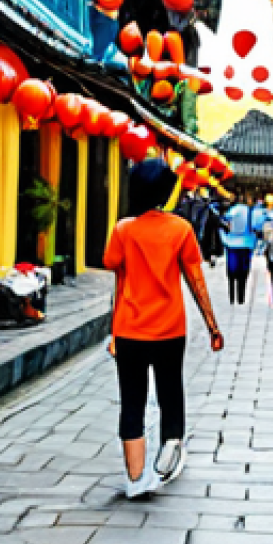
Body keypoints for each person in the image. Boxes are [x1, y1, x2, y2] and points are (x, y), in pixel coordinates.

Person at [103, 159, 224, 498]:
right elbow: (196, 280)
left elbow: (118, 276)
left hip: (129, 329)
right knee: (170, 391)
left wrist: (114, 332)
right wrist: (212, 326)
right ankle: (169, 452)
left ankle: (135, 479)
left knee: (132, 400)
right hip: (170, 329)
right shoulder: (180, 229)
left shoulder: (123, 230)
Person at [222, 194, 257, 305]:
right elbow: (256, 226)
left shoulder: (232, 210)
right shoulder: (250, 211)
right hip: (246, 244)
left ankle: (232, 298)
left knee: (231, 273)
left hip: (232, 243)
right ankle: (241, 298)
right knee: (243, 273)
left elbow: (225, 220)